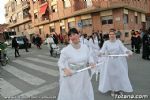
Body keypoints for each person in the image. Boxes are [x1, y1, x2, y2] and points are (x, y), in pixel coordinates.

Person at [57, 28, 95, 100]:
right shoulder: (66, 50)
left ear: (79, 35)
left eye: (74, 34)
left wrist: (91, 62)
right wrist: (65, 69)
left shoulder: (85, 47)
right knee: (75, 94)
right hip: (73, 76)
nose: (73, 37)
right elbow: (60, 62)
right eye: (70, 35)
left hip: (84, 75)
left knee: (84, 92)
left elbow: (89, 56)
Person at [98, 30, 133, 97]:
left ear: (115, 35)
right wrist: (100, 53)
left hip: (118, 61)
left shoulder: (118, 42)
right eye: (110, 34)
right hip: (110, 62)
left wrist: (127, 52)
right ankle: (112, 89)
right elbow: (102, 50)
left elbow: (123, 49)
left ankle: (119, 89)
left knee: (119, 75)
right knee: (111, 76)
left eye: (113, 34)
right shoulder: (106, 43)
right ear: (109, 35)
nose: (112, 35)